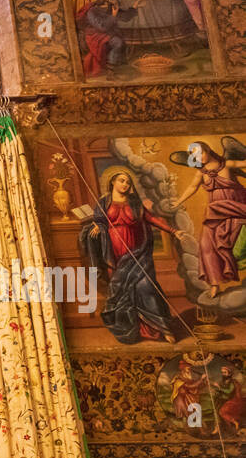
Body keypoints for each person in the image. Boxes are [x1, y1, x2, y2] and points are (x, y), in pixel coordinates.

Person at [79, 170, 185, 344]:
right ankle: (131, 329)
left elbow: (150, 218)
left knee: (146, 287)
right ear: (113, 181)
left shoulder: (134, 202)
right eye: (121, 180)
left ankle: (162, 327)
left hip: (137, 251)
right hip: (113, 254)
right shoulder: (104, 202)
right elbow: (99, 220)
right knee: (121, 292)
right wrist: (98, 226)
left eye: (128, 182)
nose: (125, 184)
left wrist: (173, 231)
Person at [170, 139, 246, 298]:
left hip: (236, 208)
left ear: (208, 150)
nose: (199, 157)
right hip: (215, 212)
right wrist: (178, 201)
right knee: (206, 245)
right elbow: (192, 187)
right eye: (195, 156)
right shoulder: (201, 172)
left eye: (201, 152)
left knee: (234, 241)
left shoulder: (227, 164)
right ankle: (214, 283)